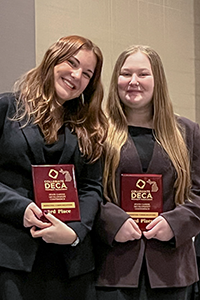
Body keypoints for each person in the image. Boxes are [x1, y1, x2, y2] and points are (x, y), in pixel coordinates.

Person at [0, 35, 107, 300]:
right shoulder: (7, 107)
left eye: (87, 73)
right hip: (11, 257)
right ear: (52, 60)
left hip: (71, 264)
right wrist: (20, 208)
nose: (76, 75)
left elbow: (92, 187)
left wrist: (75, 232)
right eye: (71, 63)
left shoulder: (89, 128)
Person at [94, 45, 200, 300]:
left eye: (143, 74)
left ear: (158, 80)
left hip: (172, 269)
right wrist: (113, 221)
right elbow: (89, 190)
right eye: (125, 73)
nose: (133, 82)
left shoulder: (187, 132)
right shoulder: (98, 131)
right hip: (114, 268)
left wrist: (174, 224)